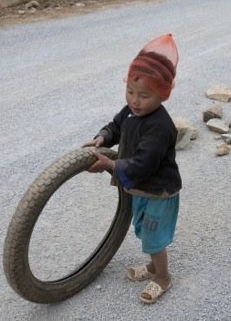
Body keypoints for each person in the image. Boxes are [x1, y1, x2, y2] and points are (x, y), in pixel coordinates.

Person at [82, 33, 182, 304]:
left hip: (159, 192)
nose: (135, 101)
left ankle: (162, 276)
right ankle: (152, 267)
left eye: (144, 95)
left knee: (154, 237)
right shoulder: (130, 111)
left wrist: (111, 165)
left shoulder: (160, 127)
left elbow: (143, 163)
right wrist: (103, 137)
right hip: (141, 188)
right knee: (143, 230)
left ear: (163, 94)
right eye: (130, 91)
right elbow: (116, 126)